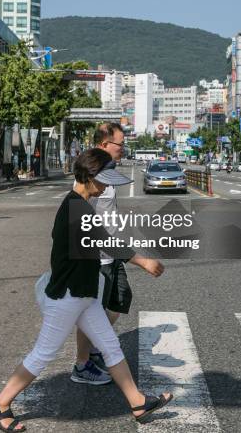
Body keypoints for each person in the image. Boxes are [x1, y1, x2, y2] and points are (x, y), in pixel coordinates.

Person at [0, 149, 172, 431]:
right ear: (88, 176)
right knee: (43, 353)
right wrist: (143, 261)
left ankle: (137, 402)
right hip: (68, 296)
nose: (108, 186)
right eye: (104, 180)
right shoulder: (77, 207)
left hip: (85, 295)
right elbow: (106, 242)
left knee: (110, 346)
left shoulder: (81, 205)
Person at [72, 123, 164, 384]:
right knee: (90, 312)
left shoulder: (108, 173)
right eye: (119, 144)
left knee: (120, 299)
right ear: (103, 145)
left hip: (111, 253)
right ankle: (82, 363)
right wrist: (140, 259)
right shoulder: (90, 178)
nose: (122, 149)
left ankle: (95, 347)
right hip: (96, 257)